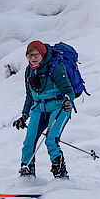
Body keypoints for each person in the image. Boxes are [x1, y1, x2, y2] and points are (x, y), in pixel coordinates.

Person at [12, 40, 74, 179]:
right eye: (29, 56)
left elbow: (68, 90)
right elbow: (29, 95)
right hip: (39, 108)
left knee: (51, 140)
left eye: (36, 55)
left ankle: (61, 176)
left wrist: (67, 101)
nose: (33, 58)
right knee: (29, 141)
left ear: (43, 54)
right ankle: (27, 175)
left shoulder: (55, 67)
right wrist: (24, 115)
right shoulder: (29, 70)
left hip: (60, 106)